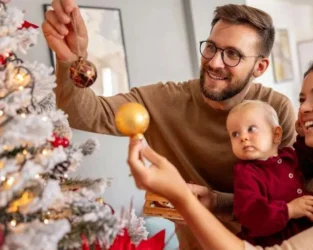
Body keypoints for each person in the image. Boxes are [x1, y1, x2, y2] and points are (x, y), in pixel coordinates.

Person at [43, 1, 296, 248]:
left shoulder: (275, 109)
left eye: (233, 54)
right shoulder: (162, 100)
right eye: (211, 48)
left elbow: (290, 193)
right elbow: (84, 114)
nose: (215, 62)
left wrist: (217, 202)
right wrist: (71, 59)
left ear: (259, 67)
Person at [127, 56, 313, 250]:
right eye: (302, 100)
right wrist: (215, 202)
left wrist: (183, 199)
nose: (304, 108)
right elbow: (262, 205)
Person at [226, 100, 313, 247]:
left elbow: (310, 164)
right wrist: (289, 210)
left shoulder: (288, 156)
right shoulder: (246, 173)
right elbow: (250, 214)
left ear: (276, 134)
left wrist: (303, 135)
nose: (243, 137)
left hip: (309, 231)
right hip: (274, 241)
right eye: (235, 134)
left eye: (251, 129)